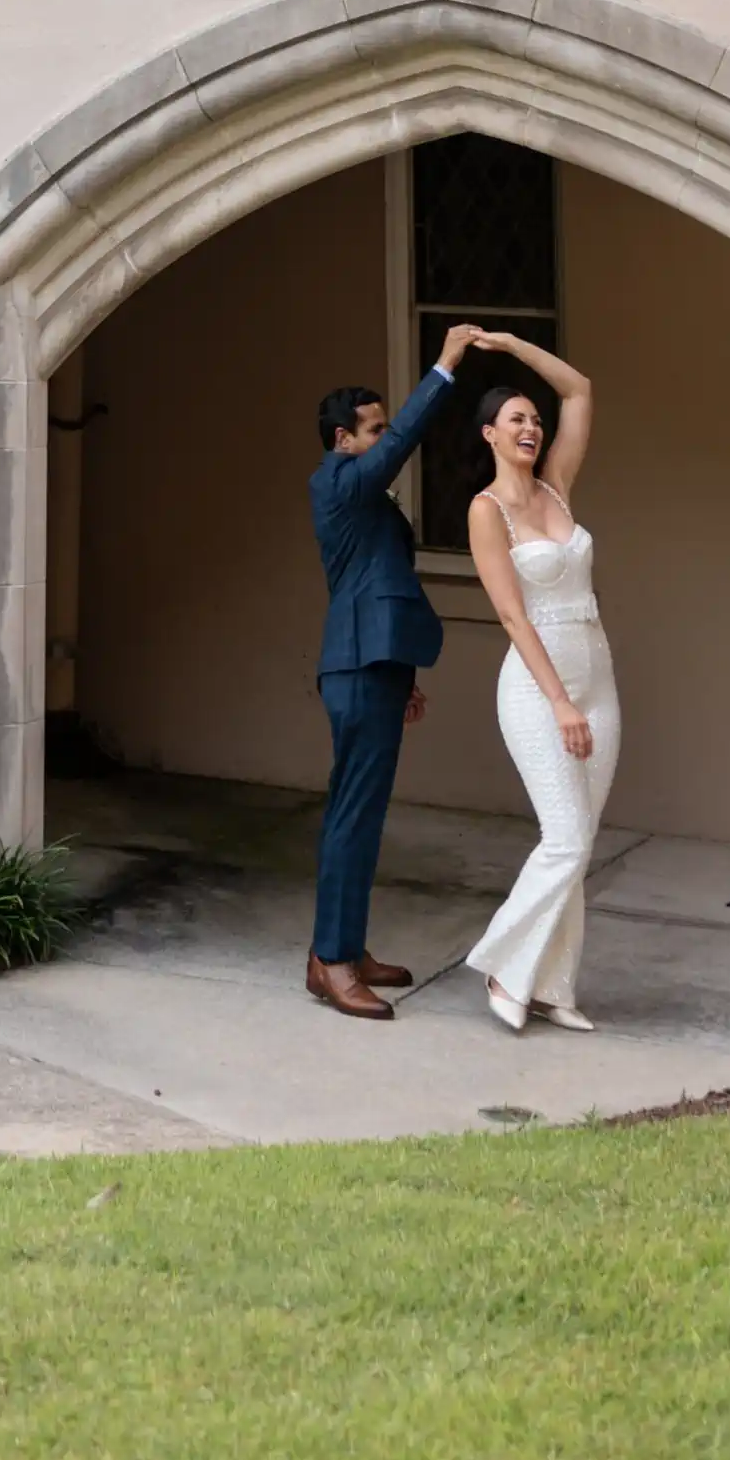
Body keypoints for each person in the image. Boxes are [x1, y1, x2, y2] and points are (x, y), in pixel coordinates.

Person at [305, 325, 481, 1020]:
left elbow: (384, 578)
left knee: (365, 814)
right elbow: (405, 441)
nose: (383, 437)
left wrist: (402, 670)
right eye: (372, 428)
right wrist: (442, 368)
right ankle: (332, 962)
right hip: (352, 665)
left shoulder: (362, 493)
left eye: (381, 427)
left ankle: (344, 945)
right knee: (352, 814)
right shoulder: (340, 481)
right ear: (343, 438)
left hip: (373, 663)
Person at [459, 334, 619, 1034]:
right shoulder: (486, 509)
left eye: (534, 418)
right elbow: (509, 613)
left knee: (580, 844)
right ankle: (503, 963)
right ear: (489, 433)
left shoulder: (557, 483)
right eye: (515, 419)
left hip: (599, 673)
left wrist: (513, 346)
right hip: (535, 685)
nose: (530, 428)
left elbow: (580, 387)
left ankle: (553, 984)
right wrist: (557, 701)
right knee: (563, 836)